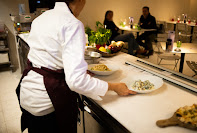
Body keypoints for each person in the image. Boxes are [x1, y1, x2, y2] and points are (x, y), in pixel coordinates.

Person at [16, 0, 137, 133]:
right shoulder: (72, 24)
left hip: (28, 94)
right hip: (48, 101)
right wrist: (114, 87)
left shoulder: (41, 18)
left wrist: (76, 69)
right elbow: (76, 82)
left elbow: (49, 57)